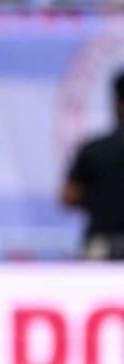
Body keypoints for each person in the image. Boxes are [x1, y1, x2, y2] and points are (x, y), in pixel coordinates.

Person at [61, 71, 124, 261]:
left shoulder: (94, 148)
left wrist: (99, 198)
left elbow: (68, 196)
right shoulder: (92, 148)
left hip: (101, 244)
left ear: (116, 104)